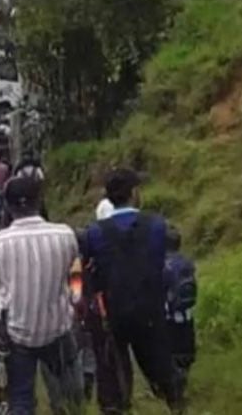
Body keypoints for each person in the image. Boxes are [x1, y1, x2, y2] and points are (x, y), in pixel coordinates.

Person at [82, 168, 183, 414]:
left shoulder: (95, 232)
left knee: (111, 372)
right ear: (135, 193)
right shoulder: (157, 225)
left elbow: (89, 268)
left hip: (112, 312)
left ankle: (115, 405)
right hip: (150, 310)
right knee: (161, 367)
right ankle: (175, 402)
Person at [0, 177, 83, 415]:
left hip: (17, 332)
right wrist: (75, 299)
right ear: (40, 201)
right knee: (68, 392)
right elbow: (75, 274)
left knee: (21, 398)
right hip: (58, 328)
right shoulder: (66, 235)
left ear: (7, 206)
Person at [163, 227, 197, 392]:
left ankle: (175, 385)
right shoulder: (187, 262)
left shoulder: (163, 265)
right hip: (187, 313)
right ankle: (184, 377)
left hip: (168, 316)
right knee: (186, 348)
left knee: (171, 351)